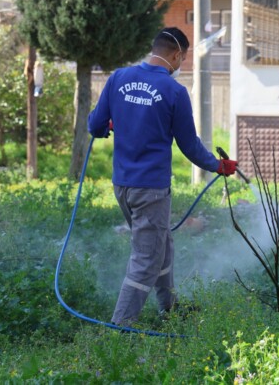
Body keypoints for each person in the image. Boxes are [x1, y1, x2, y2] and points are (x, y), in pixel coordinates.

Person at [87, 27, 238, 327]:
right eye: (183, 59)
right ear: (176, 55)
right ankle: (120, 327)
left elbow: (95, 125)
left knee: (161, 244)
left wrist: (109, 126)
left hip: (123, 187)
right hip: (151, 191)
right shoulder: (174, 92)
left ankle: (169, 307)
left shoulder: (118, 78)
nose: (181, 64)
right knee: (146, 259)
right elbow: (189, 145)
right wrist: (218, 166)